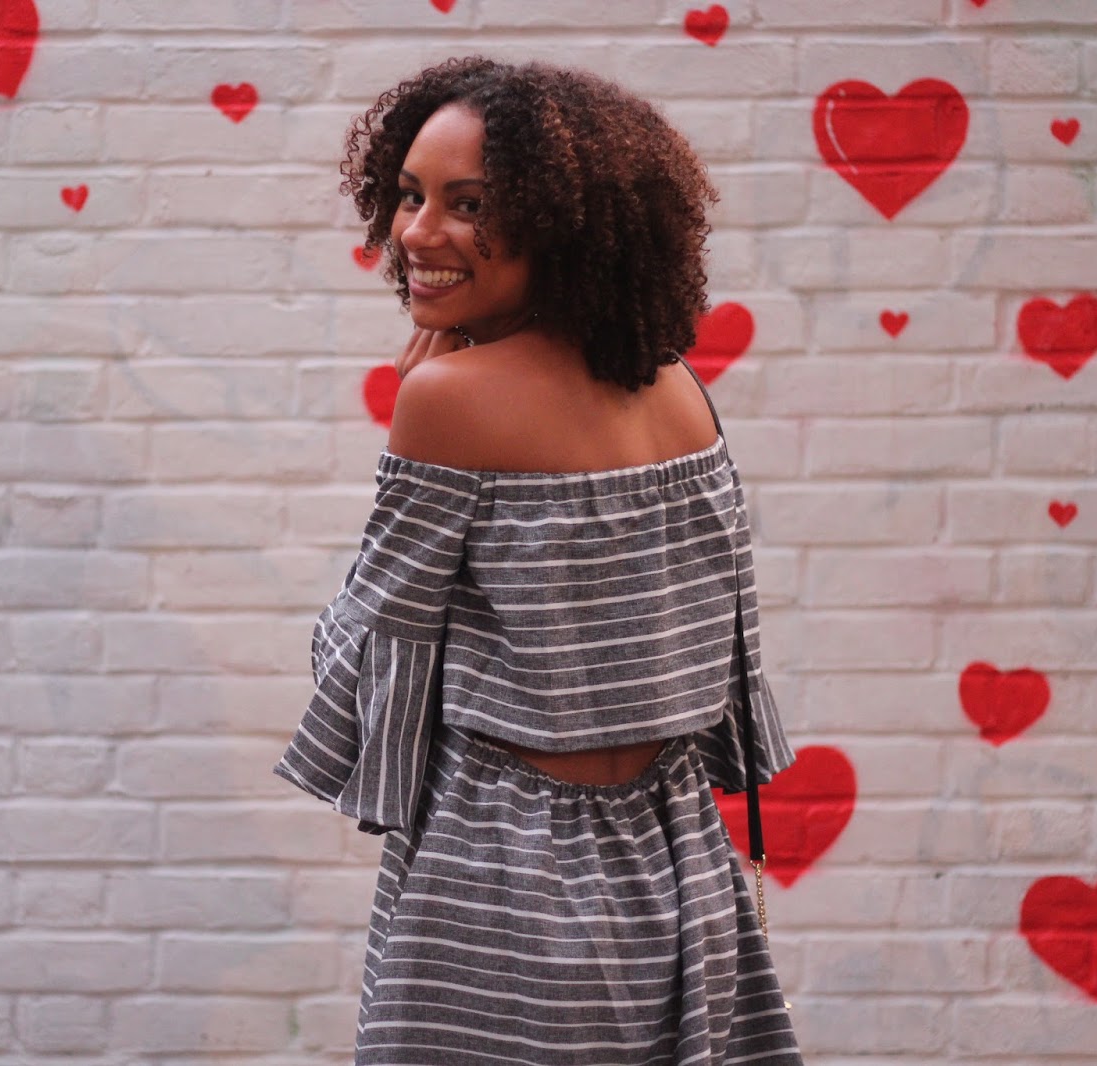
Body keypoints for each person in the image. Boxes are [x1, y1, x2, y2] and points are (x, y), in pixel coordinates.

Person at [274, 56, 803, 1065]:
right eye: (410, 195)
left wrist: (423, 404)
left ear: (560, 221)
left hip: (500, 867)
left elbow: (364, 665)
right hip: (674, 856)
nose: (417, 232)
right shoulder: (677, 388)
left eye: (469, 204)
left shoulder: (447, 401)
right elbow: (716, 654)